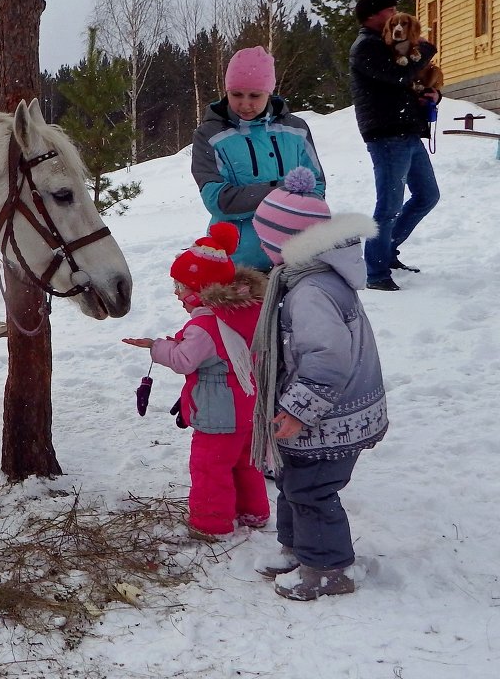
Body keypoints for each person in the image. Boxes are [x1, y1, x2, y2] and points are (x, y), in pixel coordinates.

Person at [249, 166, 388, 601]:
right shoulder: (304, 280)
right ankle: (298, 549)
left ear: (286, 243)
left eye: (267, 241)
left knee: (311, 489)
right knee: (294, 482)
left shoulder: (311, 291)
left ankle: (328, 569)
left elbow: (328, 357)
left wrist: (296, 408)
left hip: (329, 416)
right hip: (326, 413)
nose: (263, 249)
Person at [123, 222, 269, 540]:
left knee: (209, 467)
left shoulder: (204, 325)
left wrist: (157, 348)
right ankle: (253, 511)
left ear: (200, 290)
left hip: (218, 412)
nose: (177, 295)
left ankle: (212, 523)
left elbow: (184, 360)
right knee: (246, 462)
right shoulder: (244, 311)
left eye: (181, 288)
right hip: (248, 405)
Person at [191, 45, 326, 272]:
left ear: (269, 92)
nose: (245, 104)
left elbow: (317, 186)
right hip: (239, 262)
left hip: (297, 257)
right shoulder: (209, 135)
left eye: (255, 95)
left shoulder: (296, 129)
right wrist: (282, 192)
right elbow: (217, 200)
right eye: (236, 95)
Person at [349, 0, 442, 291]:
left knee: (427, 195)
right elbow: (397, 76)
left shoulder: (390, 44)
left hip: (408, 132)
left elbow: (408, 81)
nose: (396, 15)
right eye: (391, 9)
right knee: (389, 204)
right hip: (386, 134)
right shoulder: (366, 47)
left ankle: (386, 251)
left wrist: (431, 94)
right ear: (375, 15)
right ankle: (375, 273)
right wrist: (426, 49)